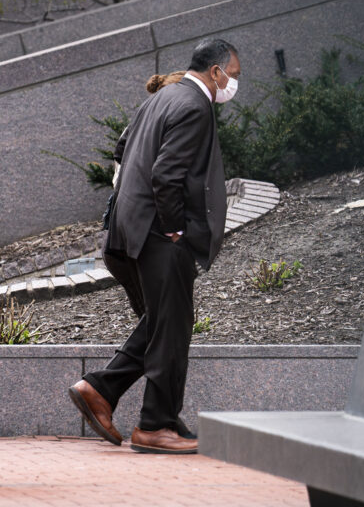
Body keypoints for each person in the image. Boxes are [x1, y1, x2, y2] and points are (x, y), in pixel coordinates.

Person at [69, 39, 240, 454]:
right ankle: (155, 425)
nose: (234, 84)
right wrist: (176, 228)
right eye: (233, 75)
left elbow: (124, 149)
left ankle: (101, 389)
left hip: (134, 228)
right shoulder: (195, 106)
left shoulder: (164, 97)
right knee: (172, 327)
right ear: (215, 72)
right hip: (161, 233)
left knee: (165, 321)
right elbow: (167, 174)